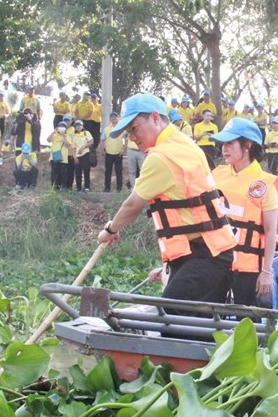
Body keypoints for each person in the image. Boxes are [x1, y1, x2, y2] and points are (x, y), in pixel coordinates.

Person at [97, 93, 236, 306]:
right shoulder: (183, 143)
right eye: (128, 132)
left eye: (134, 128)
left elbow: (132, 205)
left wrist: (110, 230)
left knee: (171, 317)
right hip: (208, 251)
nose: (132, 137)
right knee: (193, 328)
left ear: (155, 118)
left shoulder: (161, 157)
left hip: (206, 254)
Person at [211, 117, 278, 306]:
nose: (224, 148)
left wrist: (266, 271)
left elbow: (270, 230)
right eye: (223, 143)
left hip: (248, 268)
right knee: (210, 317)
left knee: (248, 323)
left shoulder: (265, 183)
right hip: (216, 262)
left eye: (230, 143)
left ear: (247, 145)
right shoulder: (216, 175)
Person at [101, 111, 126, 192]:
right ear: (110, 119)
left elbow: (126, 139)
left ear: (118, 118)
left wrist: (123, 149)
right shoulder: (106, 129)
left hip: (118, 153)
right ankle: (107, 188)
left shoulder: (122, 128)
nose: (114, 118)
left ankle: (119, 189)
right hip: (108, 153)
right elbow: (102, 140)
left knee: (119, 171)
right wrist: (102, 150)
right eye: (112, 117)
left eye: (115, 117)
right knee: (107, 172)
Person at [71, 119, 94, 191]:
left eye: (79, 125)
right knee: (78, 171)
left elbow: (91, 142)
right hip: (77, 156)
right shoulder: (74, 136)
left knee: (86, 170)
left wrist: (84, 146)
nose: (78, 127)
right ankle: (78, 187)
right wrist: (74, 156)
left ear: (82, 126)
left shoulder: (86, 133)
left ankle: (87, 187)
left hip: (85, 154)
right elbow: (74, 147)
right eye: (76, 126)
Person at [48, 120, 71, 189]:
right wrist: (53, 132)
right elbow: (48, 140)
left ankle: (63, 187)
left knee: (63, 173)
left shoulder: (67, 136)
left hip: (63, 158)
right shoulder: (55, 135)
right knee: (55, 172)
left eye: (63, 127)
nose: (61, 128)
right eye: (60, 126)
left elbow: (68, 145)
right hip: (54, 157)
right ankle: (54, 187)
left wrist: (64, 136)